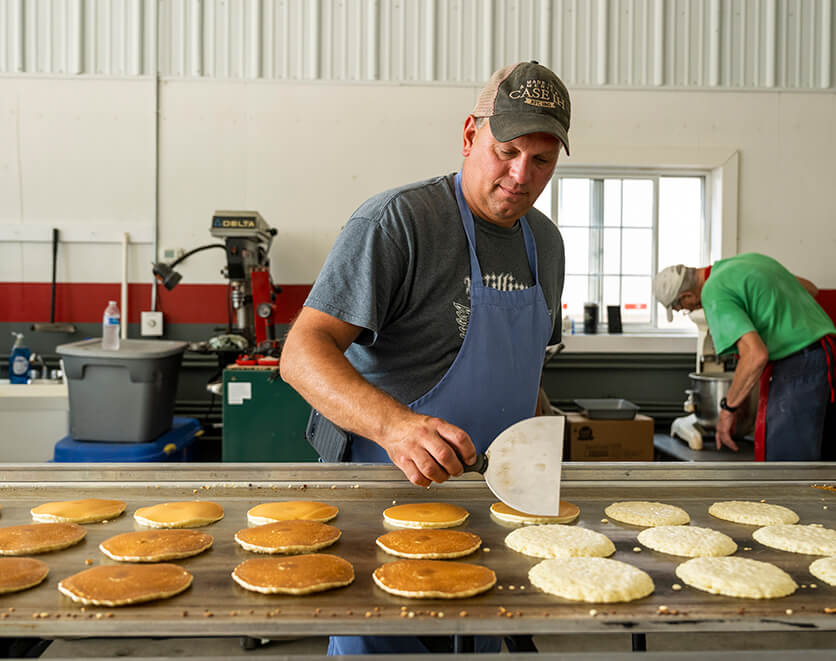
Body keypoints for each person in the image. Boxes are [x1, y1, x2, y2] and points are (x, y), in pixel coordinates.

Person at [280, 61, 570, 655]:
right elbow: (302, 352)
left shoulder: (546, 243)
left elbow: (524, 370)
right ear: (470, 135)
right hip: (385, 492)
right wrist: (396, 427)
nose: (521, 175)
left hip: (494, 501)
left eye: (540, 160)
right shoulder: (399, 222)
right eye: (506, 150)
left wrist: (547, 440)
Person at [653, 254, 835, 461]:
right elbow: (810, 289)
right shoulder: (746, 262)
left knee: (787, 462)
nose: (688, 309)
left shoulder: (714, 292)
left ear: (687, 296)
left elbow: (755, 355)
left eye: (681, 308)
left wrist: (728, 410)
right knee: (821, 458)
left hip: (800, 365)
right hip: (825, 355)